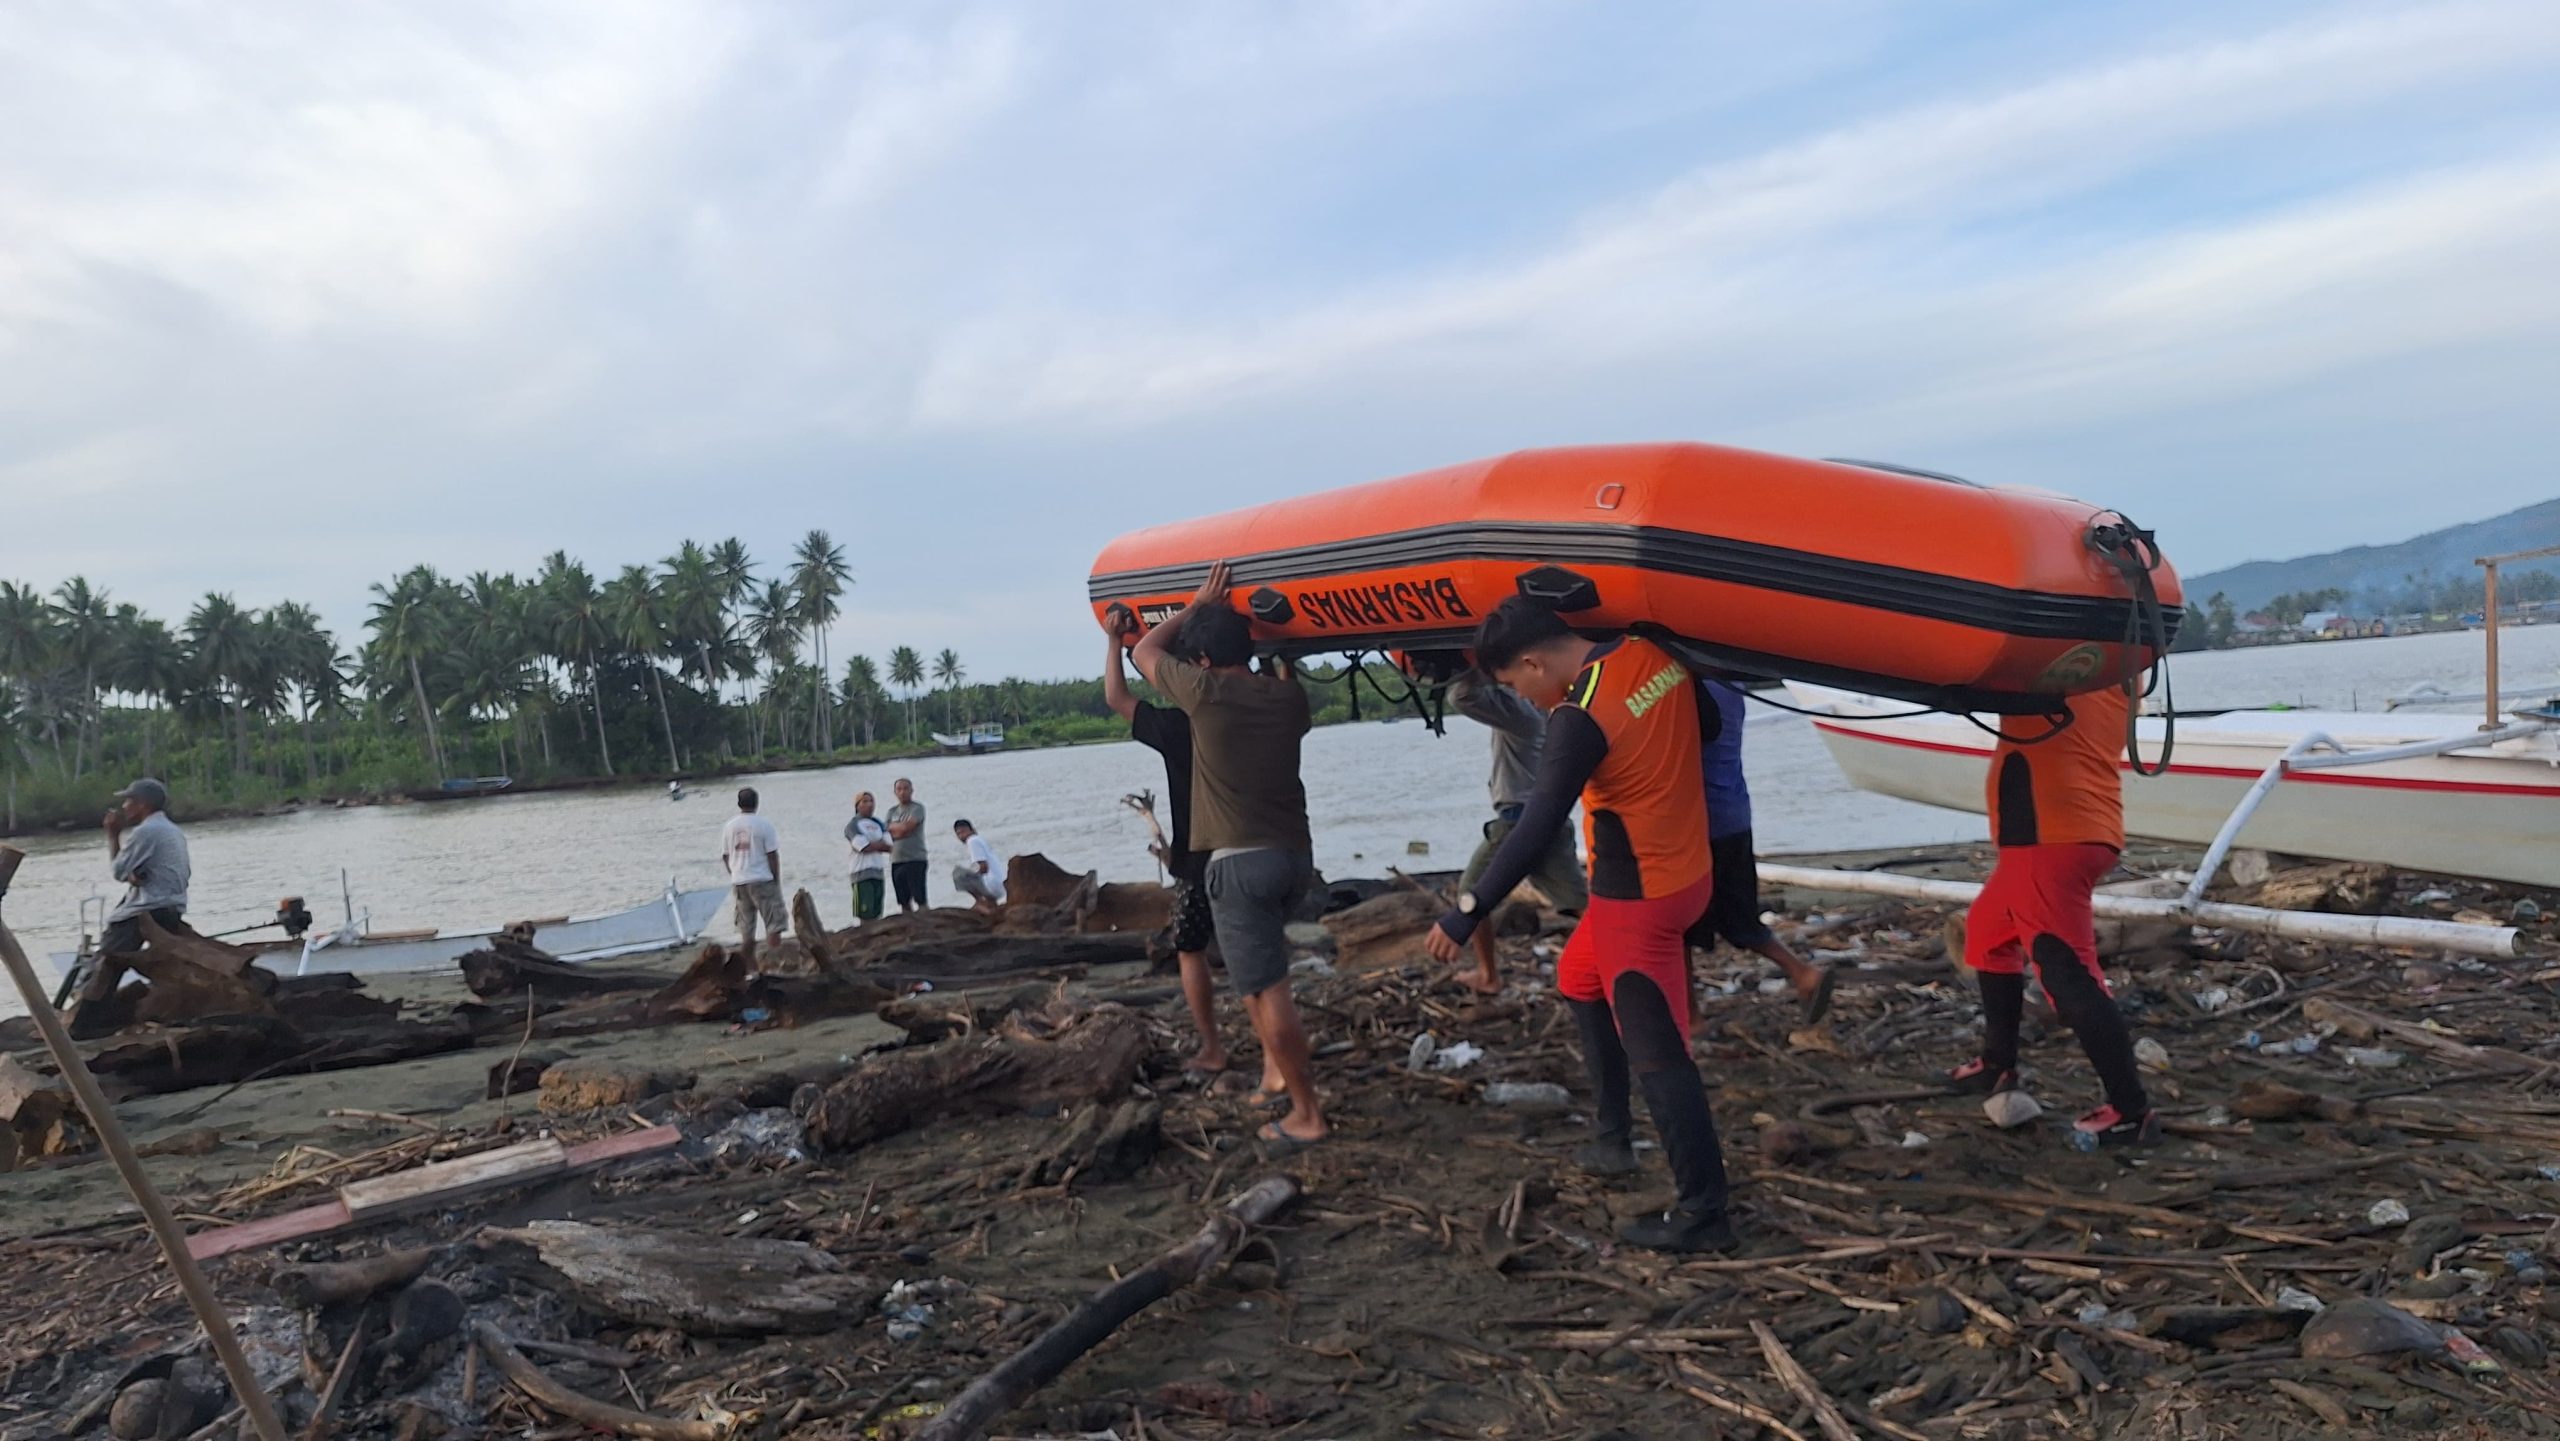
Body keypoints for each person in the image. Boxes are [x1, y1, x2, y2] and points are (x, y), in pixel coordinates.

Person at [1424, 598, 1738, 1253]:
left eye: (1515, 683)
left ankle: (1704, 1214)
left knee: (1661, 1056)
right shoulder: (1650, 654)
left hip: (1638, 901)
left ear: (1534, 661)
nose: (1523, 698)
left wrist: (1467, 911)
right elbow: (1709, 722)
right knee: (1578, 978)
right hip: (1688, 873)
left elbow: (1536, 824)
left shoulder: (1577, 716)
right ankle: (1612, 1137)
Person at [1132, 560, 1329, 1151]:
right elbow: (1278, 671)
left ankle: (1307, 1114)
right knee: (1264, 980)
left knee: (1270, 990)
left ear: (1200, 660)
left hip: (1240, 866)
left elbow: (1143, 652)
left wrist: (1194, 605)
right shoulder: (1289, 699)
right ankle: (1279, 1081)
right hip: (1295, 859)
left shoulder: (1204, 693)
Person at [1951, 681, 2157, 1144]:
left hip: (2048, 836)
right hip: (2065, 831)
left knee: (2066, 972)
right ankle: (1998, 1064)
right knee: (1987, 933)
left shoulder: (2054, 665)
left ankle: (2132, 1111)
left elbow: (1978, 679)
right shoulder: (2110, 672)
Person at [1100, 605, 1227, 1077]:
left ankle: (1212, 1047)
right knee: (1255, 947)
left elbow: (1117, 696)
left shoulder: (1178, 726)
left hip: (1196, 858)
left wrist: (1115, 641)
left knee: (1190, 948)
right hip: (1249, 847)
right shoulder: (1257, 706)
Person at [1691, 679, 1831, 1022]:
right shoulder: (1728, 682)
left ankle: (1689, 1015)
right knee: (1740, 919)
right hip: (1734, 812)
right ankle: (1801, 972)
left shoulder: (1692, 688)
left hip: (1703, 821)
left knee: (1680, 926)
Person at [1448, 667, 1588, 995]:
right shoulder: (1552, 712)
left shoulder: (1523, 715)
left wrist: (1476, 666)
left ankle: (1488, 976)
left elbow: (1461, 696)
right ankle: (1619, 961)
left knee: (1471, 895)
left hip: (1516, 820)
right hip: (1551, 820)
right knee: (1579, 904)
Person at [67, 778, 198, 1033]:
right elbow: (141, 872)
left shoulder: (146, 831)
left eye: (128, 801)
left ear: (142, 804)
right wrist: (133, 875)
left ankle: (82, 1028)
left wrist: (112, 835)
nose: (124, 806)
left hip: (147, 909)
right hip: (171, 906)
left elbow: (118, 871)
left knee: (106, 965)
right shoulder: (171, 830)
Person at [721, 787, 785, 968]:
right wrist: (775, 879)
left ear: (739, 803)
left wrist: (734, 872)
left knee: (747, 928)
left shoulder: (729, 826)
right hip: (762, 878)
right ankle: (773, 962)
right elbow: (772, 855)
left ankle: (750, 967)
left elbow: (725, 855)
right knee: (773, 923)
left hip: (740, 880)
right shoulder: (764, 825)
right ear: (756, 803)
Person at [844, 791, 891, 922]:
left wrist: (873, 844)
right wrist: (877, 844)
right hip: (861, 873)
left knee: (877, 911)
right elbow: (862, 847)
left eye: (871, 801)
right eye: (865, 801)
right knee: (865, 912)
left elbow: (889, 846)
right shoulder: (853, 825)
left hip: (878, 871)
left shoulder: (879, 824)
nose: (869, 804)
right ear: (857, 805)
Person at [886, 779, 929, 913]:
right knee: (903, 900)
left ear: (911, 790)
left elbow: (907, 828)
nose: (902, 792)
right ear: (895, 792)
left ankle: (926, 922)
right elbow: (886, 832)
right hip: (896, 860)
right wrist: (899, 830)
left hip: (915, 858)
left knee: (920, 898)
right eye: (899, 789)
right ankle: (908, 923)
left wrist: (896, 829)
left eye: (905, 789)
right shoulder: (892, 811)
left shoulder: (917, 808)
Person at [951, 819, 1007, 913]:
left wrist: (971, 875)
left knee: (958, 873)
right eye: (958, 834)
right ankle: (990, 901)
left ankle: (981, 900)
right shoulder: (978, 840)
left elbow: (983, 867)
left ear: (972, 830)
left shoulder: (972, 841)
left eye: (963, 831)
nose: (961, 836)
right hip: (1000, 885)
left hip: (991, 885)